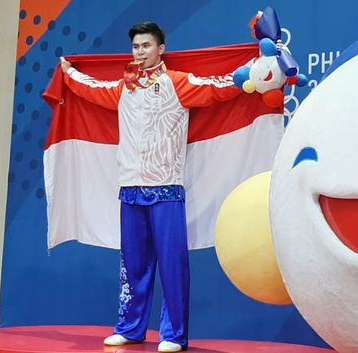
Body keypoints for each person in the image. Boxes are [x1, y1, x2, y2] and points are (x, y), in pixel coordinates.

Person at [60, 22, 241, 353]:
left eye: (146, 46)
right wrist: (69, 74)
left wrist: (252, 74)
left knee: (172, 265)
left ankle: (173, 335)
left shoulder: (178, 83)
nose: (140, 51)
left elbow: (219, 86)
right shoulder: (124, 88)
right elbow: (91, 88)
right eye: (135, 47)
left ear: (161, 49)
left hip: (166, 190)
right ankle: (129, 328)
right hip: (130, 190)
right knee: (133, 266)